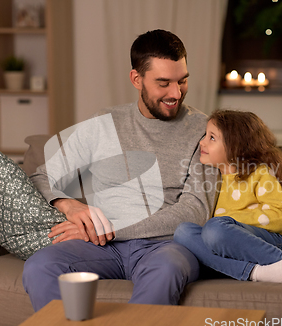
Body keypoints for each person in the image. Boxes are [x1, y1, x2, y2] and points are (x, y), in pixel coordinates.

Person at [22, 29, 218, 311]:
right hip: (101, 247)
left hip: (164, 247)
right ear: (137, 79)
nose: (176, 93)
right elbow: (42, 176)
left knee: (167, 271)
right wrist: (70, 206)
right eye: (163, 83)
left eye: (183, 81)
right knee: (40, 265)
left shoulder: (205, 131)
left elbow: (195, 211)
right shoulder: (105, 122)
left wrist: (109, 228)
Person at [174, 110, 282, 283]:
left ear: (235, 146)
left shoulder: (259, 173)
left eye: (211, 138)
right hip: (227, 244)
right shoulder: (211, 178)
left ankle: (281, 262)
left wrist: (229, 222)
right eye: (205, 136)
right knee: (182, 232)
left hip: (271, 242)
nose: (202, 142)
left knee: (215, 229)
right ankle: (255, 272)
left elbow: (281, 217)